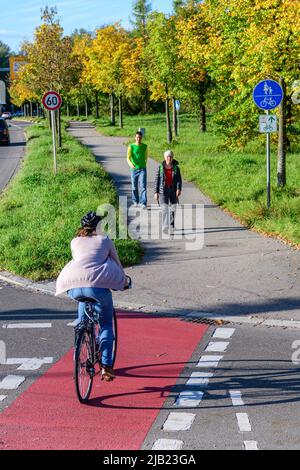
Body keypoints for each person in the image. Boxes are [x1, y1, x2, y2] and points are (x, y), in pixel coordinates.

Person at [56, 211, 127, 382]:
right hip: (97, 288)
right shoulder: (104, 240)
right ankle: (106, 367)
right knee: (106, 326)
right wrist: (123, 281)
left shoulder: (75, 241)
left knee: (83, 313)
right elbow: (116, 263)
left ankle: (82, 337)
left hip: (74, 287)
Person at [154, 150, 182, 234]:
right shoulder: (160, 167)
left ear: (172, 158)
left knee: (173, 208)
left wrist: (178, 189)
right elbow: (157, 180)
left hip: (173, 190)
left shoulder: (176, 168)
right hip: (163, 190)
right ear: (164, 157)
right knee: (164, 208)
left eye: (170, 156)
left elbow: (179, 180)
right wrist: (156, 192)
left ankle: (172, 225)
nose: (169, 158)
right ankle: (165, 226)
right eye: (167, 156)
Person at [127, 130, 148, 209]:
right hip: (134, 169)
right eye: (137, 137)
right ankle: (135, 200)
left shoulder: (144, 146)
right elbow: (128, 157)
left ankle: (143, 203)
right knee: (134, 186)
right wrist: (131, 164)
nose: (138, 139)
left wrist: (144, 163)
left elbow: (146, 156)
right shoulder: (131, 146)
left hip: (142, 168)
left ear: (141, 138)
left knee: (143, 185)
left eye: (140, 137)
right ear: (135, 138)